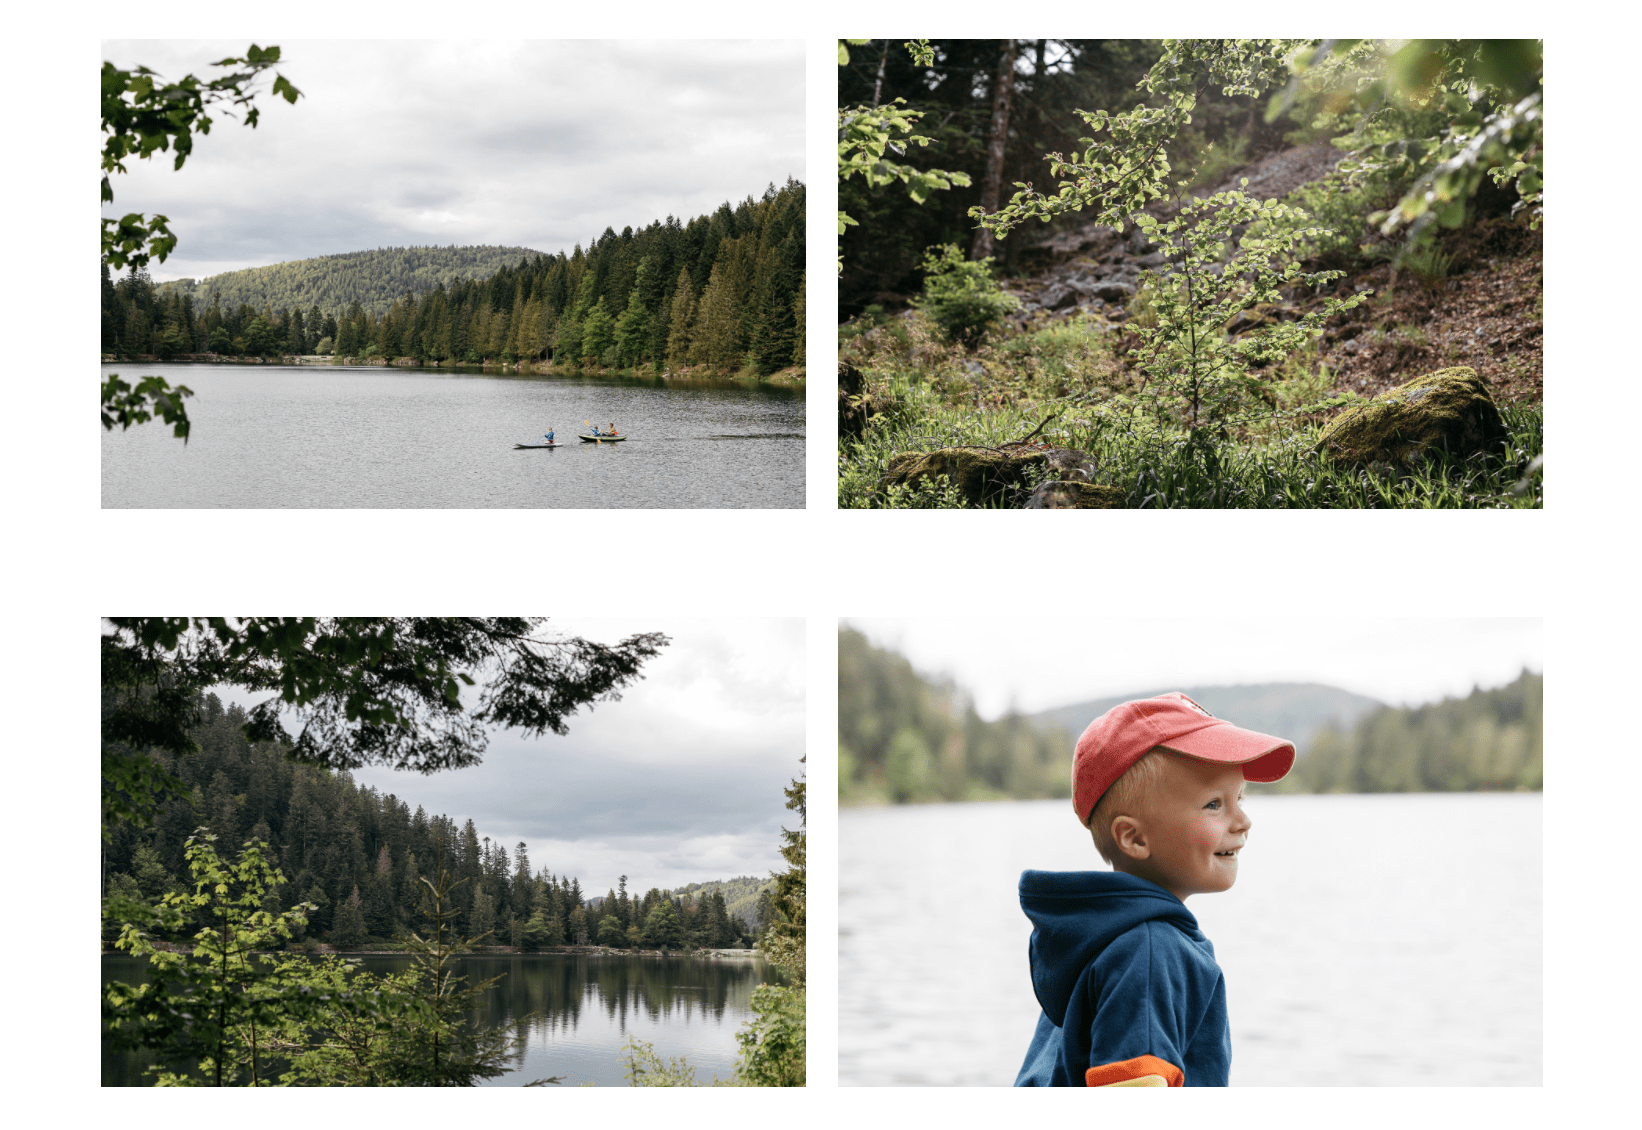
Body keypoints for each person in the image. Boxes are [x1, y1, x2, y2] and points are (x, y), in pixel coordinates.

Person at [1015, 693, 1294, 1087]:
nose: (1243, 821)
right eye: (1215, 804)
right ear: (1133, 837)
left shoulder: (1097, 940)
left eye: (1240, 798)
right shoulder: (1148, 952)